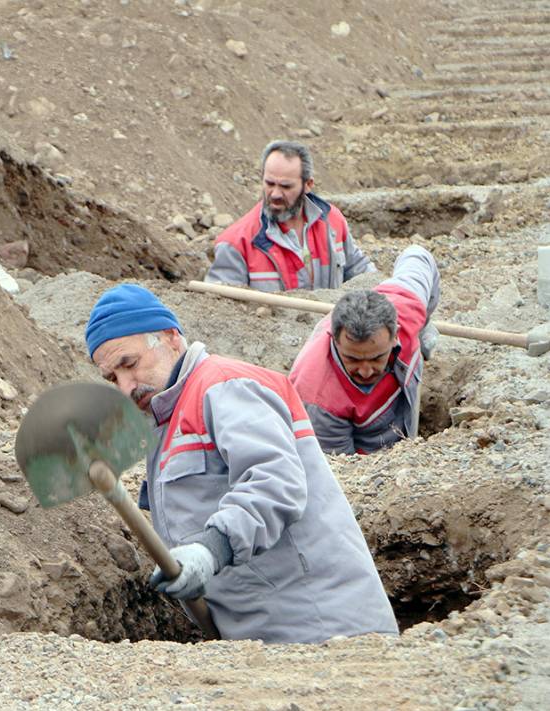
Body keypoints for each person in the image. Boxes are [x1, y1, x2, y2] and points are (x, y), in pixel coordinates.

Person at [85, 284, 398, 643]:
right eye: (113, 378)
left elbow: (274, 483)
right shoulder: (168, 418)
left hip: (322, 628)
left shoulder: (225, 387)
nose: (126, 387)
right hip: (265, 636)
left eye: (130, 365)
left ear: (171, 338)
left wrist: (210, 549)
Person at [289, 245, 441, 455]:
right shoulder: (319, 400)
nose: (366, 371)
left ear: (396, 334)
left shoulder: (407, 312)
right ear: (333, 339)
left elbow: (417, 255)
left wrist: (423, 328)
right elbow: (342, 474)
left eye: (377, 357)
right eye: (352, 359)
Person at [206, 140, 374, 292]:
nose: (276, 194)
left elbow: (361, 272)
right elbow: (222, 310)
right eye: (270, 184)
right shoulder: (236, 244)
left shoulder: (332, 222)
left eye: (286, 186)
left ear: (308, 185)